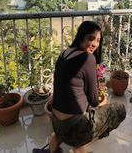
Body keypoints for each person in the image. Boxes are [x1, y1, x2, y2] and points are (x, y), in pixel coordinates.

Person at [33, 20, 126, 153]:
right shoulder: (88, 58)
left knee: (63, 131)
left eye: (98, 40)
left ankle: (56, 144)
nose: (94, 44)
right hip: (75, 126)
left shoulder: (64, 53)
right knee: (119, 109)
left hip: (55, 122)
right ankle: (80, 145)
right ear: (81, 36)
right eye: (91, 38)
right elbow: (94, 101)